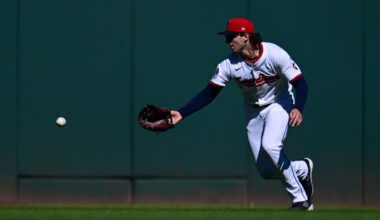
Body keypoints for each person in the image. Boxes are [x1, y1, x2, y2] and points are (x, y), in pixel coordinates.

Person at [169, 17, 314, 211]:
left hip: (280, 103)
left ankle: (301, 201)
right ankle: (302, 169)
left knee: (271, 146)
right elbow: (209, 93)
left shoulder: (275, 54)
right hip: (252, 112)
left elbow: (300, 83)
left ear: (245, 36)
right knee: (265, 170)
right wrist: (181, 113)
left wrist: (298, 107)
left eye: (231, 36)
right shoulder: (228, 65)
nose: (227, 41)